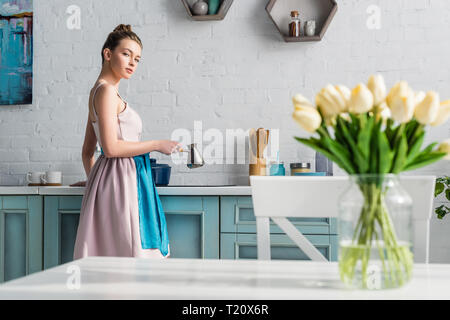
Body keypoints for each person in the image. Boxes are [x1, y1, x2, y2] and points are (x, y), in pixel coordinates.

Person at [72, 24, 181, 260]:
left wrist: (96, 183)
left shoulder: (97, 92)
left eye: (137, 59)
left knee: (117, 253)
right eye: (126, 54)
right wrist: (156, 144)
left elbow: (87, 152)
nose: (132, 62)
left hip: (115, 181)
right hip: (123, 181)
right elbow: (110, 148)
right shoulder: (107, 92)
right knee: (129, 255)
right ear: (108, 54)